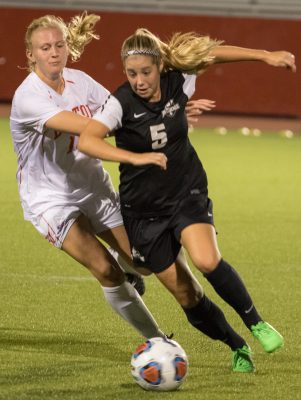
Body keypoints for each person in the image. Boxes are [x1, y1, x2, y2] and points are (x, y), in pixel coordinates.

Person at [78, 28, 296, 372]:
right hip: (143, 213)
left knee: (207, 260)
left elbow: (211, 53)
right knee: (188, 296)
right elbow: (87, 140)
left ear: (160, 65)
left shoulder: (178, 81)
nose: (139, 81)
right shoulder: (120, 103)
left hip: (185, 191)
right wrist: (134, 158)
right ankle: (236, 345)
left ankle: (256, 322)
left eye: (146, 72)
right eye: (131, 73)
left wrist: (264, 56)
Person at [9, 12, 172, 341]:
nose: (53, 53)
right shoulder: (29, 97)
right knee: (105, 270)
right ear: (30, 55)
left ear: (67, 47)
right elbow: (91, 126)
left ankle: (127, 264)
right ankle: (157, 341)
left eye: (59, 45)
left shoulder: (80, 81)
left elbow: (117, 106)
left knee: (144, 264)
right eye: (44, 48)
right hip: (50, 198)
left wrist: (168, 110)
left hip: (93, 186)